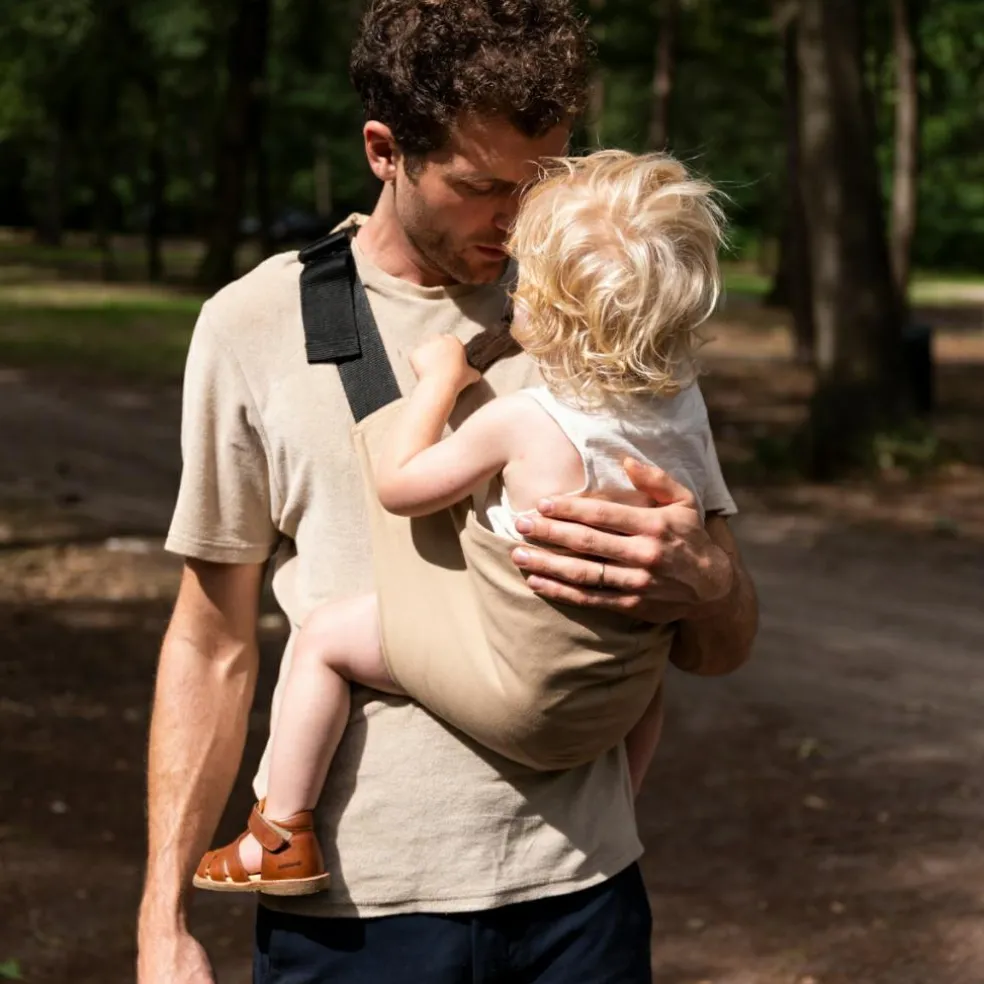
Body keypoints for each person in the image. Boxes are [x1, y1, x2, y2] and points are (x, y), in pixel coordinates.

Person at [137, 1, 759, 981]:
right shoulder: (250, 327)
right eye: (482, 187)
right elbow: (211, 643)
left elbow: (722, 643)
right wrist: (161, 917)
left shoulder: (617, 316)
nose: (517, 224)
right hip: (357, 910)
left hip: (585, 897)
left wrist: (709, 585)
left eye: (543, 183)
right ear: (385, 150)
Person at [191, 149, 731, 898]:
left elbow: (401, 485)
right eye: (482, 187)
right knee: (643, 671)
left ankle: (280, 830)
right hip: (607, 702)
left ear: (549, 310)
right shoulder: (682, 411)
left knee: (323, 640)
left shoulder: (525, 421)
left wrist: (441, 383)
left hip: (516, 683)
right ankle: (623, 812)